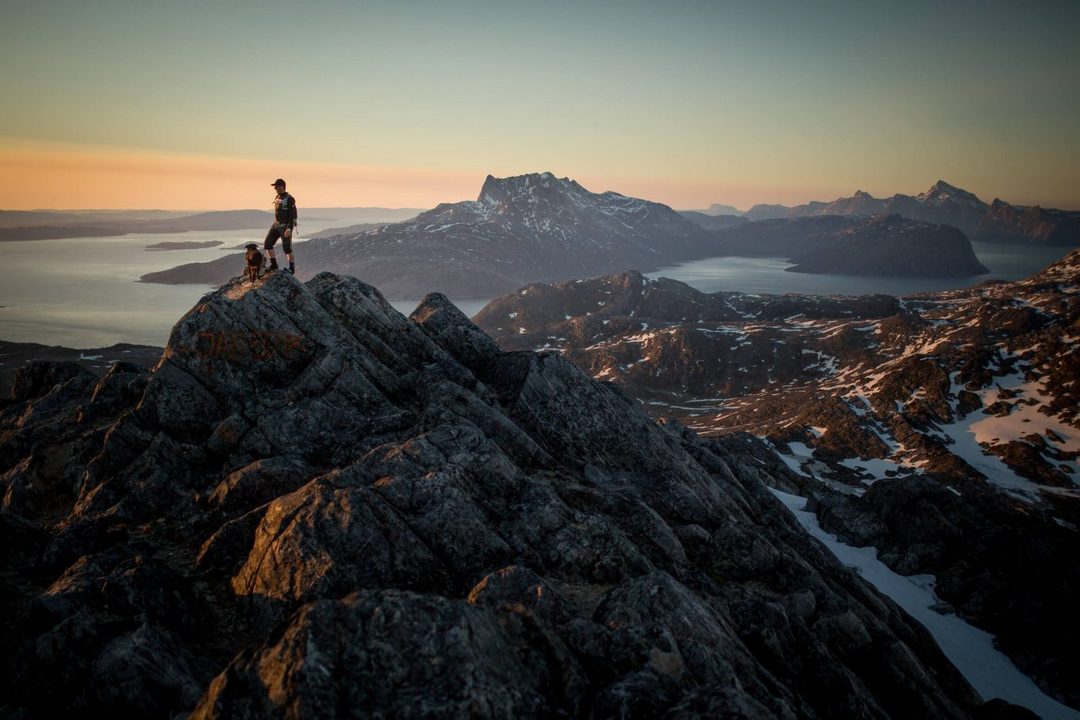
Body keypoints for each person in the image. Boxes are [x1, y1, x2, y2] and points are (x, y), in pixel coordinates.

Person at [265, 178, 298, 274]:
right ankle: (274, 265)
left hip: (285, 226)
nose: (275, 188)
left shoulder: (290, 198)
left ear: (282, 186)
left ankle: (292, 269)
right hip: (276, 225)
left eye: (276, 186)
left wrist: (289, 228)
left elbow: (293, 214)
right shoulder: (277, 197)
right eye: (275, 187)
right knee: (267, 244)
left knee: (287, 248)